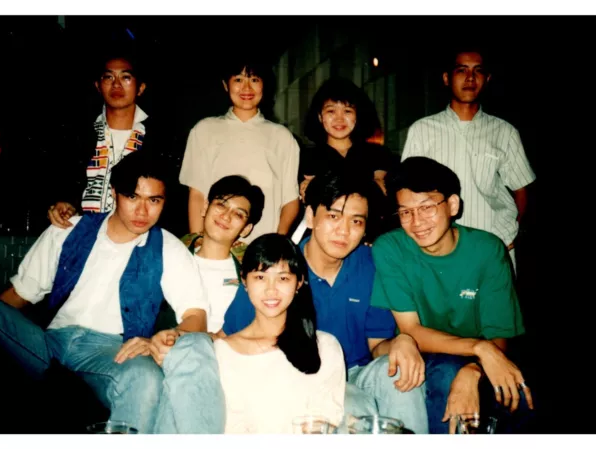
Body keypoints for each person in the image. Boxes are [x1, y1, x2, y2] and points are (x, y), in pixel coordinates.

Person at [0, 151, 209, 434]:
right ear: (115, 192)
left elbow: (197, 316)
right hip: (48, 341)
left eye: (154, 200)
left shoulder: (168, 248)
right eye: (133, 197)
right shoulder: (69, 229)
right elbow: (18, 294)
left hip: (112, 351)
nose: (143, 212)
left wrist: (166, 336)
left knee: (146, 378)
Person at [222, 170, 429, 434]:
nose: (343, 231)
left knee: (404, 374)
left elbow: (377, 346)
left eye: (356, 221)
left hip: (356, 373)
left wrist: (403, 341)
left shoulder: (371, 265)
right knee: (350, 406)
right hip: (297, 371)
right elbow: (229, 338)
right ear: (310, 216)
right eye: (333, 216)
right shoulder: (278, 269)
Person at [370, 156, 534, 434]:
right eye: (405, 212)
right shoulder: (391, 248)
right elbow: (412, 331)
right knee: (447, 373)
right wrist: (479, 349)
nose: (416, 222)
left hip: (478, 358)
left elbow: (498, 337)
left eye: (426, 208)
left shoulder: (488, 250)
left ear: (453, 205)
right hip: (426, 354)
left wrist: (473, 367)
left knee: (522, 401)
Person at [401, 47, 536, 268]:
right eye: (461, 70)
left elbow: (521, 188)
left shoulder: (505, 131)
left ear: (487, 78)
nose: (470, 78)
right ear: (447, 78)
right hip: (437, 246)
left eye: (478, 71)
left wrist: (511, 234)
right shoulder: (422, 130)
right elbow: (407, 191)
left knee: (494, 303)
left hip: (493, 242)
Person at [218, 233, 345, 433]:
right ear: (244, 281)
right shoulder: (223, 352)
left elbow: (326, 422)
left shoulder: (325, 347)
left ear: (299, 283)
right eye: (260, 277)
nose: (271, 290)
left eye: (283, 278)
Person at [178, 56, 300, 243]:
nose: (246, 88)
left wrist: (277, 244)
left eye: (254, 80)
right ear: (226, 85)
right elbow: (197, 194)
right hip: (213, 245)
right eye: (238, 80)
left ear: (264, 85)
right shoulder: (204, 130)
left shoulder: (282, 137)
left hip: (262, 249)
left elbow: (290, 201)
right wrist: (197, 241)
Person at [46, 49, 169, 230]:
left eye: (125, 77)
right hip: (83, 233)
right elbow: (64, 185)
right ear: (98, 85)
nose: (116, 85)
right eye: (108, 77)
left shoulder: (159, 138)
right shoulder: (78, 135)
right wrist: (64, 205)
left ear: (140, 88)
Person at [156, 175, 265, 344]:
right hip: (166, 349)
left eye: (238, 214)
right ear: (205, 207)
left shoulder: (252, 275)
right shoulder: (169, 256)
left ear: (246, 229)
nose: (226, 216)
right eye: (221, 204)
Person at [300, 77, 396, 200]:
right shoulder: (307, 158)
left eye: (347, 111)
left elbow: (382, 192)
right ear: (319, 116)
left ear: (357, 116)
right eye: (331, 111)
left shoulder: (379, 155)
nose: (339, 119)